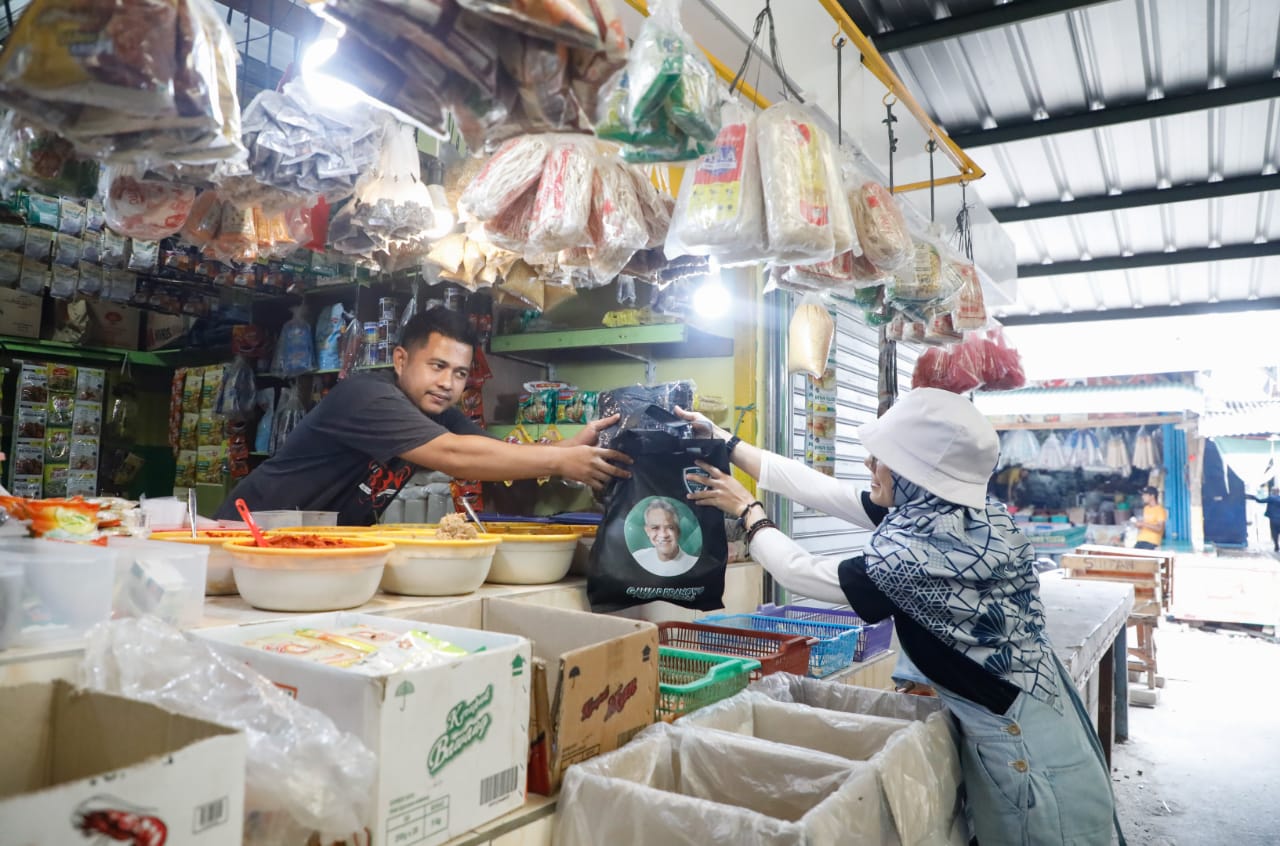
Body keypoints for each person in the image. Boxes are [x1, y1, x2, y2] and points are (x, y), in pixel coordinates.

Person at [677, 389, 1121, 846]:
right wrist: (726, 443)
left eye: (884, 457)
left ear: (917, 476)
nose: (870, 464)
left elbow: (800, 574)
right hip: (1039, 712)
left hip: (1026, 755)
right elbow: (822, 490)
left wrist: (749, 513)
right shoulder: (958, 514)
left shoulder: (917, 556)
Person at [216, 308, 631, 525]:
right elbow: (455, 455)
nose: (449, 383)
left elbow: (491, 455)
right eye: (437, 366)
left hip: (308, 544)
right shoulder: (367, 397)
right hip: (246, 531)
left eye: (460, 373)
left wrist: (571, 446)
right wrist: (559, 461)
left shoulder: (437, 412)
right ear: (401, 359)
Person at [632, 498, 698, 577]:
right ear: (647, 531)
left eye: (670, 527)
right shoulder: (638, 558)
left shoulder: (694, 565)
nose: (663, 534)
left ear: (678, 531)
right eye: (655, 528)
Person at [1134, 485, 1166, 550]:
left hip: (1152, 542)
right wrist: (1139, 525)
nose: (1143, 497)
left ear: (1152, 496)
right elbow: (1145, 524)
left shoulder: (1160, 510)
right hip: (1140, 540)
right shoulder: (1146, 508)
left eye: (1145, 495)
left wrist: (1143, 524)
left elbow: (1160, 528)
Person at [1253, 482, 1280, 552]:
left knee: (1274, 532)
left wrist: (1253, 497)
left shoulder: (1270, 498)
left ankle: (1276, 545)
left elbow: (1260, 501)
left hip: (1273, 519)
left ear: (1273, 491)